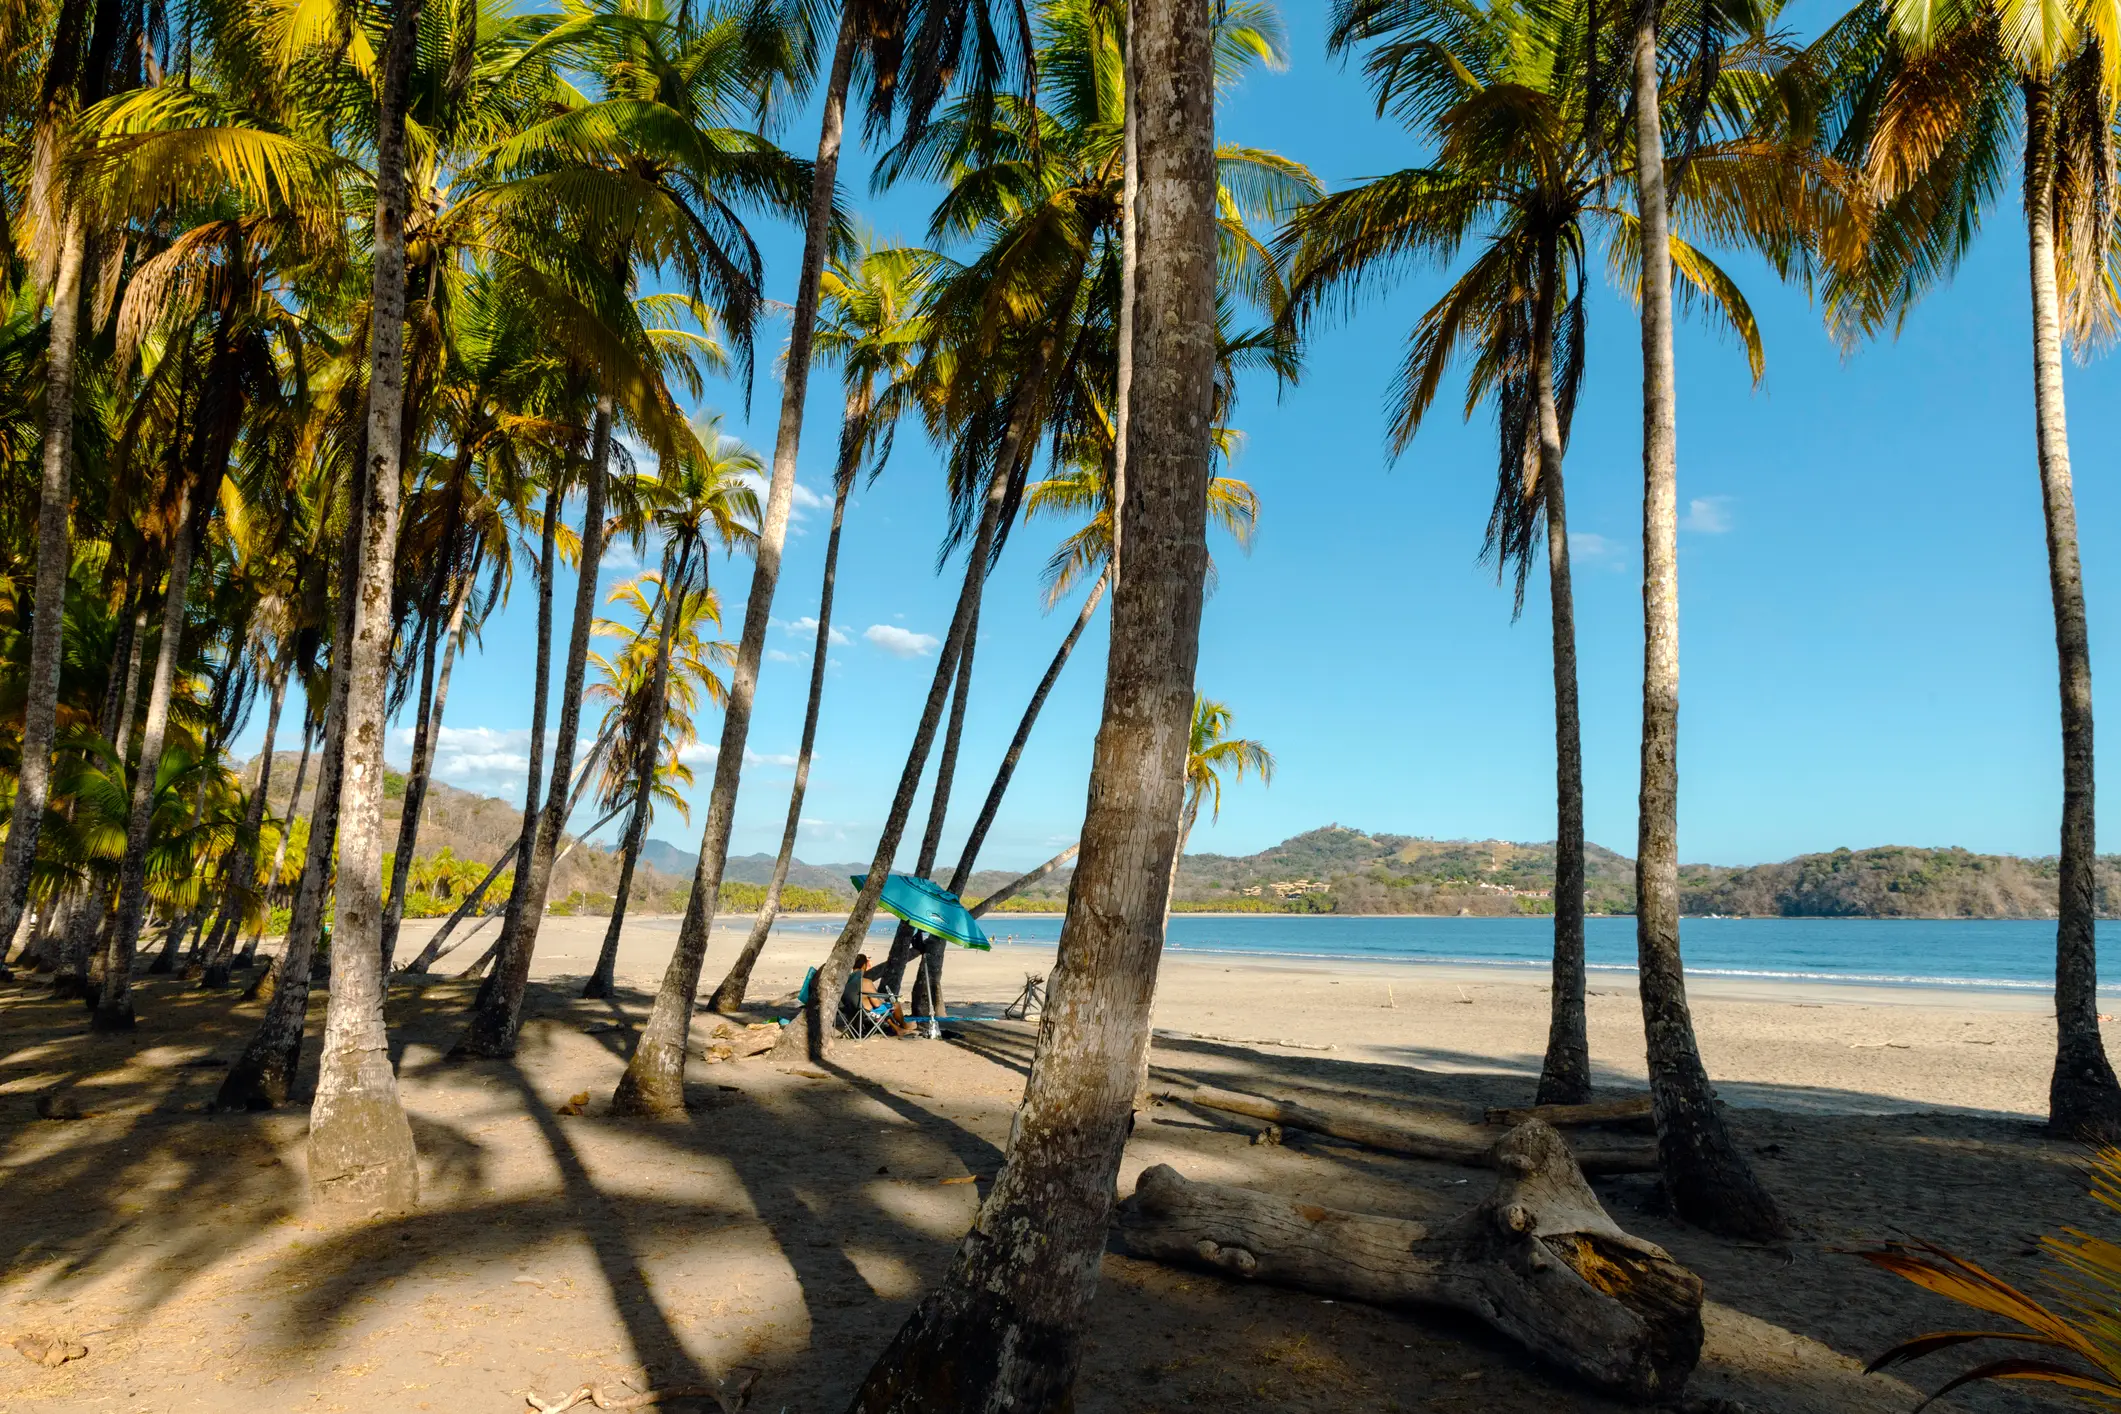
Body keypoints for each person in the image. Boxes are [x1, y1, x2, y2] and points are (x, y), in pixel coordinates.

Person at [841, 953, 914, 1036]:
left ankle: (898, 1029)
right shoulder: (865, 982)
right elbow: (877, 1004)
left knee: (881, 1009)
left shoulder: (846, 982)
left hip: (850, 1013)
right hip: (866, 1013)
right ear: (864, 965)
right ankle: (904, 1025)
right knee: (895, 1005)